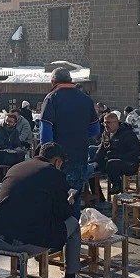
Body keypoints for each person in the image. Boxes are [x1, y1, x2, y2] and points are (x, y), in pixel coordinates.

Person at [0, 142, 94, 278]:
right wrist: (69, 201)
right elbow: (64, 213)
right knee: (73, 223)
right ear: (57, 161)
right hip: (27, 242)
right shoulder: (54, 174)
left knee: (21, 218)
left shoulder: (17, 167)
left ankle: (19, 274)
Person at [39, 67, 100, 216]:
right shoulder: (86, 99)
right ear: (70, 80)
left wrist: (45, 155)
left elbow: (45, 130)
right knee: (74, 197)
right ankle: (73, 228)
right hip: (80, 155)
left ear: (53, 81)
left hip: (57, 159)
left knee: (55, 198)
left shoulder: (52, 98)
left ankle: (57, 229)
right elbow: (95, 130)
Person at [93, 112, 140, 195]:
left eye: (108, 123)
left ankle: (117, 186)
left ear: (116, 123)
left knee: (111, 163)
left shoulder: (127, 134)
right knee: (92, 169)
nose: (106, 125)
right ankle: (98, 197)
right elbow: (102, 149)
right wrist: (95, 161)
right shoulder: (106, 133)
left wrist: (120, 156)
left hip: (129, 163)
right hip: (112, 161)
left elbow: (138, 150)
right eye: (104, 123)